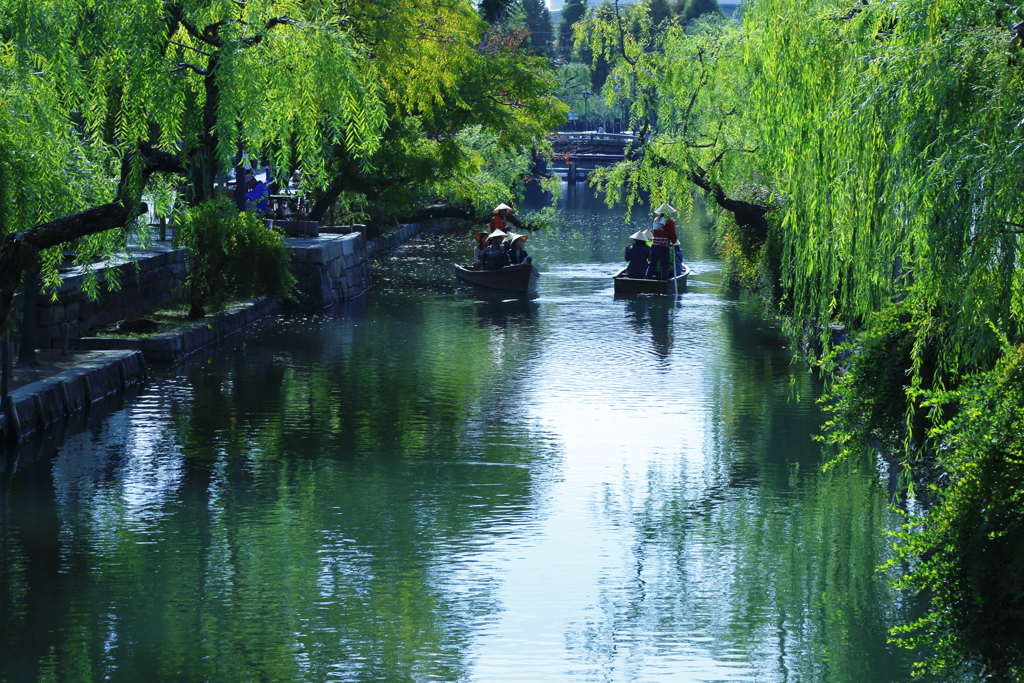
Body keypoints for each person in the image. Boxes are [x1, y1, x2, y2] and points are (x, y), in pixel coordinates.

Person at [646, 203, 678, 280]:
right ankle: (664, 282)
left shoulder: (656, 219)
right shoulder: (669, 221)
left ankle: (647, 279)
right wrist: (673, 241)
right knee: (664, 266)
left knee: (652, 265)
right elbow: (672, 233)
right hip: (663, 247)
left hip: (654, 246)